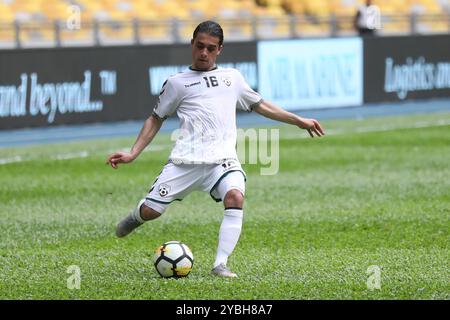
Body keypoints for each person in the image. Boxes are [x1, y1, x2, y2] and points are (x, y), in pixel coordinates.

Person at [106, 20, 324, 278]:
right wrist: (133, 153)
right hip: (185, 162)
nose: (203, 53)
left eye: (210, 48)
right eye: (199, 46)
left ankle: (220, 264)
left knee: (235, 197)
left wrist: (298, 120)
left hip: (222, 161)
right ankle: (136, 217)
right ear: (192, 44)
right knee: (151, 211)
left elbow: (261, 105)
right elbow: (156, 118)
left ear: (219, 49)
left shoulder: (232, 78)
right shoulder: (176, 83)